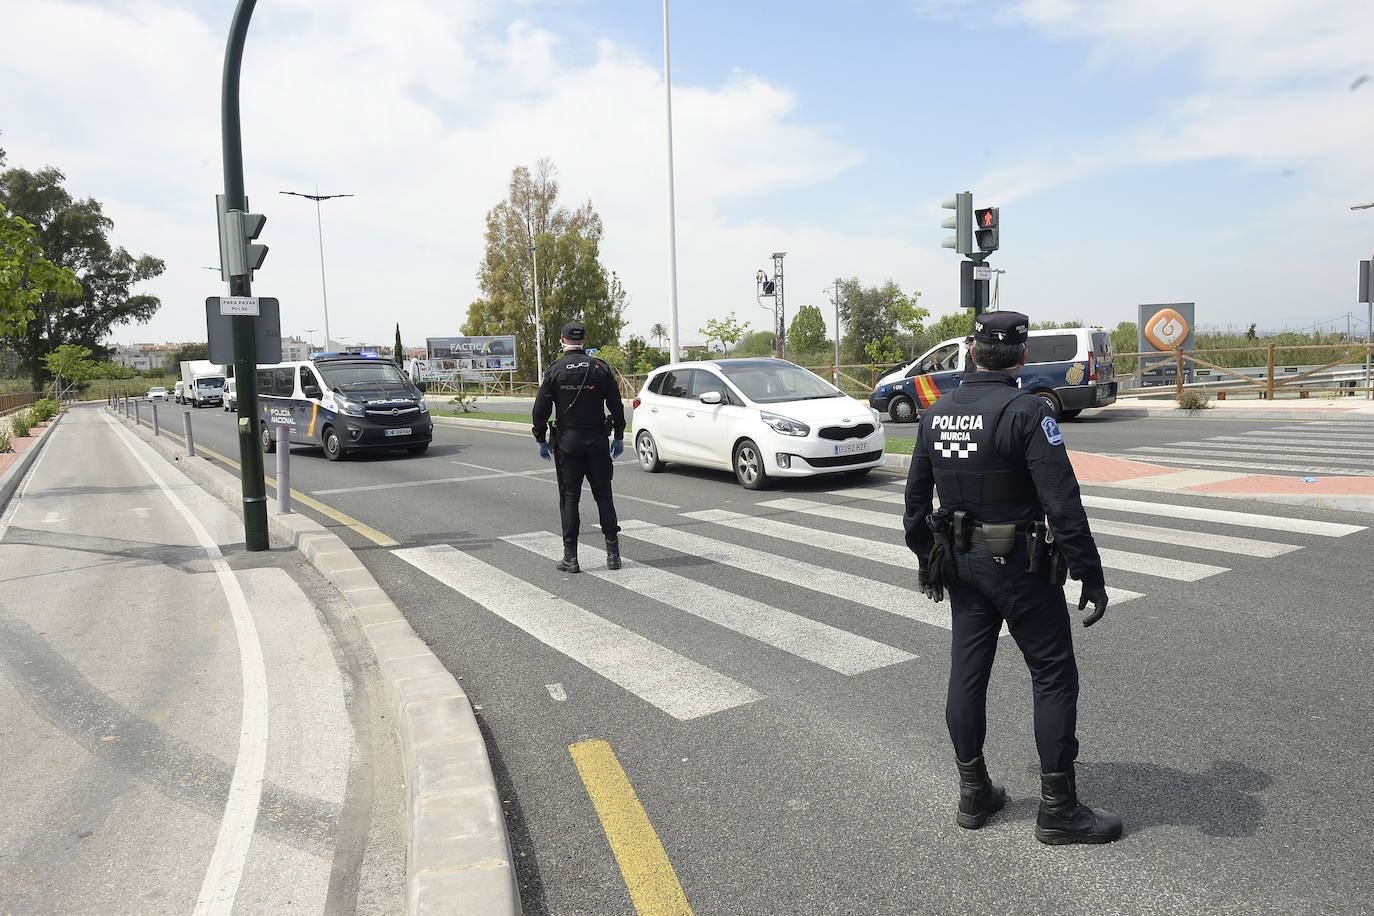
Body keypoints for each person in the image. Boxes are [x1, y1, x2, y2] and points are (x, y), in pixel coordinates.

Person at [902, 310, 1122, 845]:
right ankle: (1058, 807)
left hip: (961, 567)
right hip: (1021, 568)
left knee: (967, 672)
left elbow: (913, 505)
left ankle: (974, 790)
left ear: (972, 353)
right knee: (1051, 674)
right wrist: (1089, 576)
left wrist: (930, 559)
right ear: (1022, 356)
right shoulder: (1026, 412)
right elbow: (1062, 503)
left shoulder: (936, 413)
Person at [532, 320, 626, 574]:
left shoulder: (555, 370)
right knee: (604, 496)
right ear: (584, 340)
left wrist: (540, 439)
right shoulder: (600, 368)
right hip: (597, 441)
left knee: (570, 498)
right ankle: (613, 556)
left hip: (568, 443)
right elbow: (616, 406)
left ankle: (570, 558)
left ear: (562, 341)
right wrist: (618, 435)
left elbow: (540, 410)